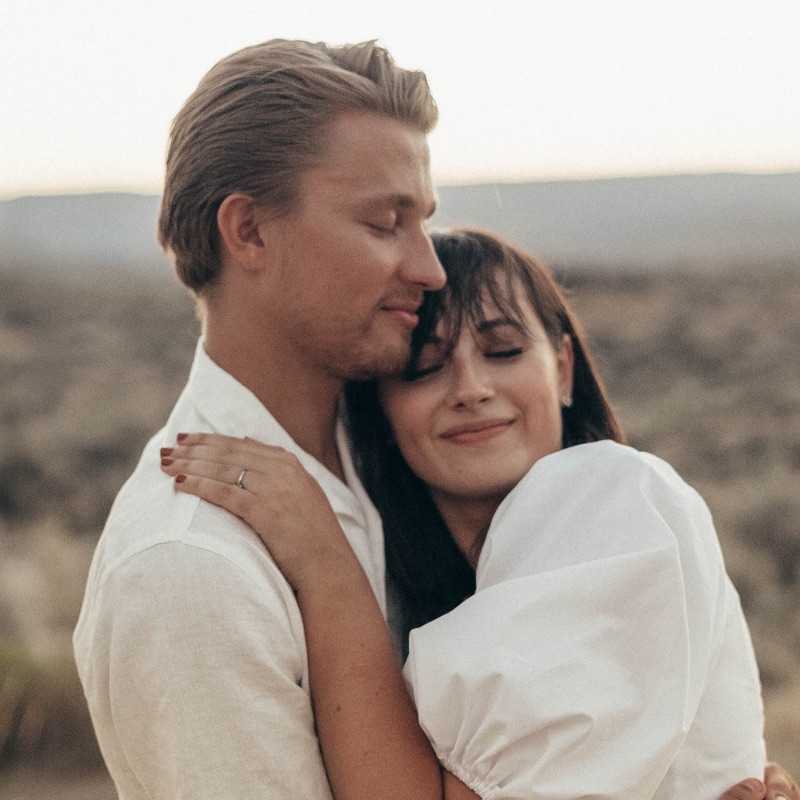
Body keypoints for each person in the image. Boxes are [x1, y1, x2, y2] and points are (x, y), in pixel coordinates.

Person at [72, 35, 795, 800]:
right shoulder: (191, 569)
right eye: (386, 223)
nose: (429, 267)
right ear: (248, 231)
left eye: (423, 222)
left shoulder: (396, 470)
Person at [159, 229, 797, 799]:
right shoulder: (425, 576)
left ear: (564, 370)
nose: (470, 388)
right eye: (426, 368)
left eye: (503, 350)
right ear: (380, 409)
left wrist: (324, 562)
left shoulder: (620, 502)